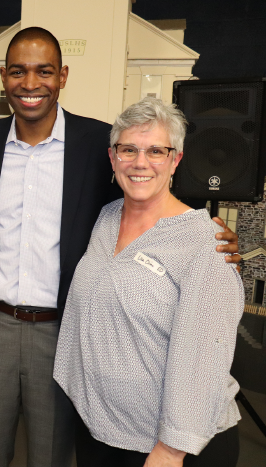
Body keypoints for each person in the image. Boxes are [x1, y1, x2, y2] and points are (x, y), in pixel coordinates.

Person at [0, 28, 241, 467]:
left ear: (63, 76)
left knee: (52, 456)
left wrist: (208, 232)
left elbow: (146, 192)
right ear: (4, 77)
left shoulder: (99, 145)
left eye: (44, 71)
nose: (30, 83)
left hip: (64, 332)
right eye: (18, 71)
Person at [53, 97, 243, 467]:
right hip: (102, 429)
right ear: (113, 158)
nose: (141, 163)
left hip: (168, 447)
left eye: (156, 150)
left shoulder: (206, 243)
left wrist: (171, 450)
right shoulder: (107, 217)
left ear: (176, 160)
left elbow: (204, 356)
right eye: (129, 150)